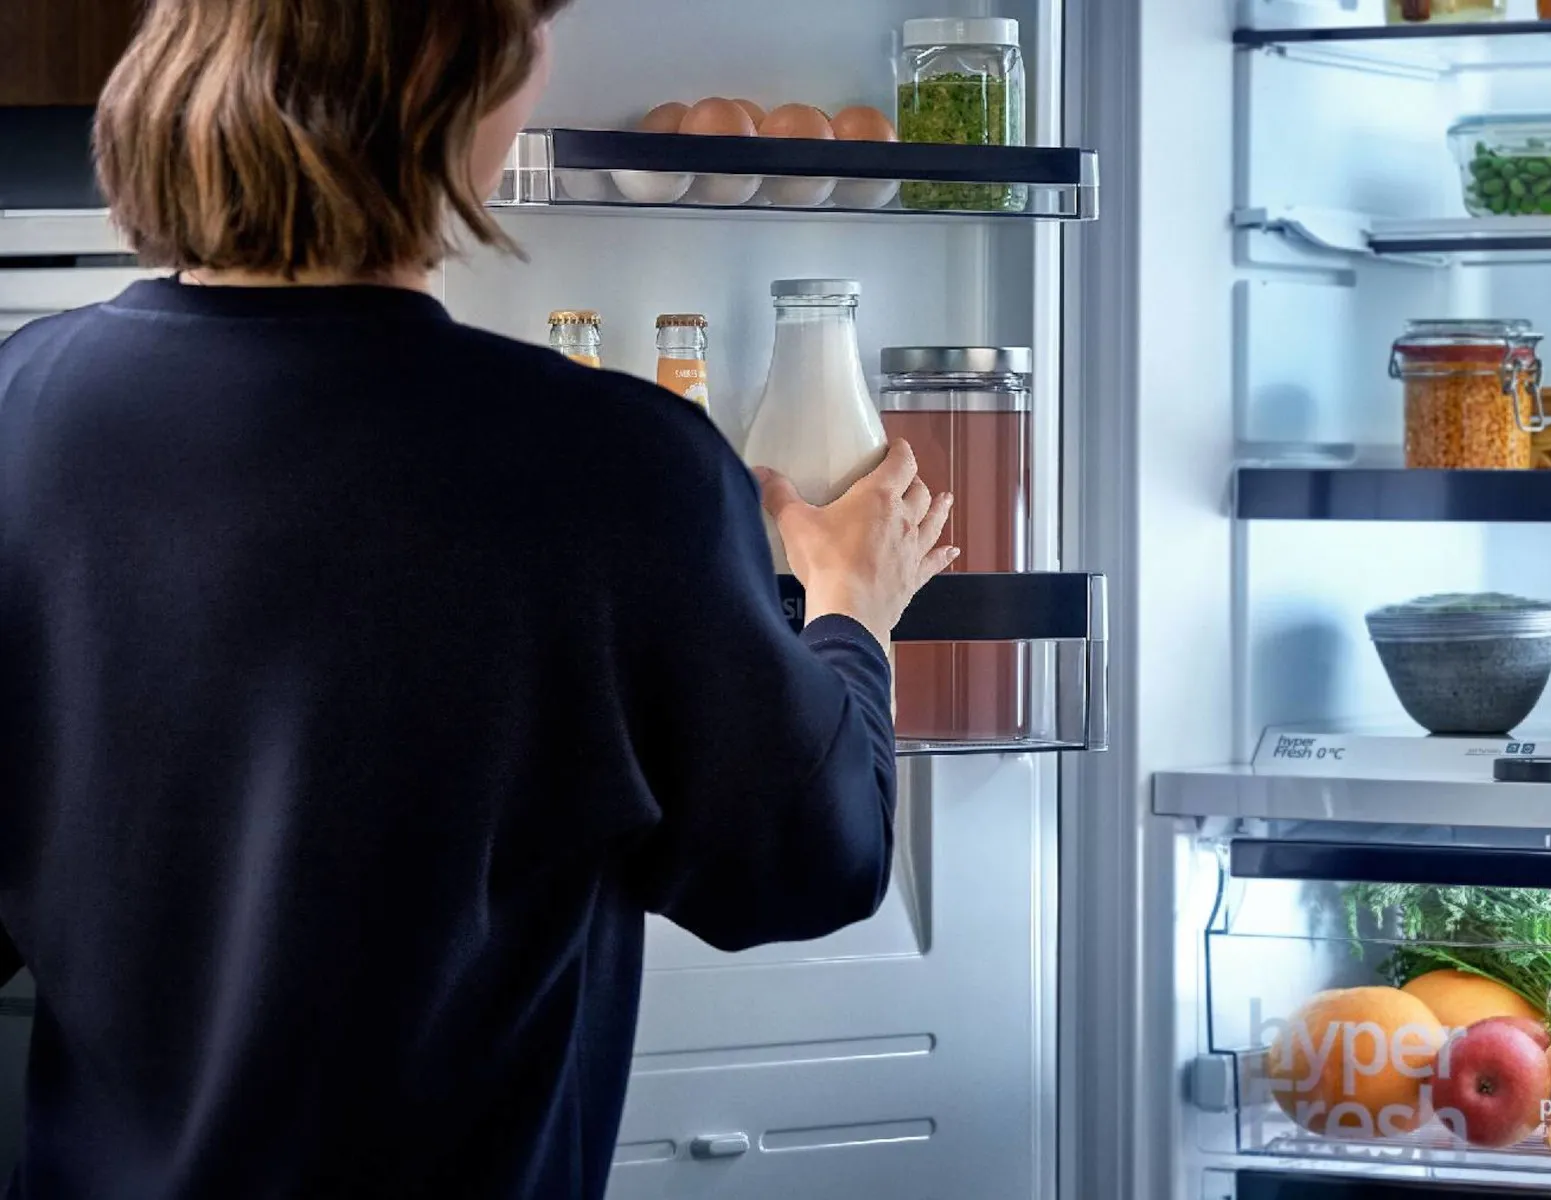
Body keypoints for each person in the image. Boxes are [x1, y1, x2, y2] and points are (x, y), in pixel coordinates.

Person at [0, 1, 959, 1197]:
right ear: (448, 90)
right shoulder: (612, 462)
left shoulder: (19, 409)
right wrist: (852, 606)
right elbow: (809, 863)